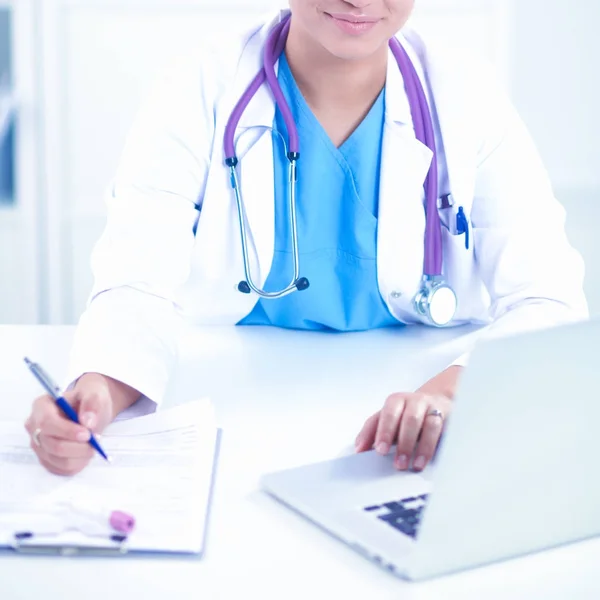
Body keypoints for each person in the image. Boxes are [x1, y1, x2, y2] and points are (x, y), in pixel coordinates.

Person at [25, 1, 587, 477]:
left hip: (394, 444)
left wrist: (450, 392)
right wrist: (102, 387)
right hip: (235, 423)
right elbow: (136, 278)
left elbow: (550, 300)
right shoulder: (199, 86)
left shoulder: (466, 97)